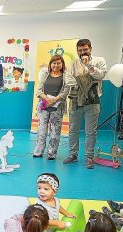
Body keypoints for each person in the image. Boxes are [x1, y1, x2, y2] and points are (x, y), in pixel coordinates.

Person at [63, 39, 107, 169]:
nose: (83, 52)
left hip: (92, 102)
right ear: (77, 51)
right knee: (73, 130)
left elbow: (100, 75)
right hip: (75, 100)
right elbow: (68, 79)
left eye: (85, 49)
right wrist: (85, 83)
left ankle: (89, 157)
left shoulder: (99, 61)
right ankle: (73, 154)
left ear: (90, 49)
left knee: (90, 132)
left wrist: (89, 67)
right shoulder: (72, 64)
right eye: (80, 50)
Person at [33, 55, 72, 160]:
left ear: (62, 64)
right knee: (42, 129)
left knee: (55, 131)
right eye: (54, 63)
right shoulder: (45, 74)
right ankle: (38, 151)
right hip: (44, 105)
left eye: (58, 63)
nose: (56, 65)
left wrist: (54, 100)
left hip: (57, 107)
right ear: (50, 64)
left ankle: (51, 153)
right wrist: (46, 99)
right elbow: (39, 90)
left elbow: (65, 92)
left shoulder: (65, 76)